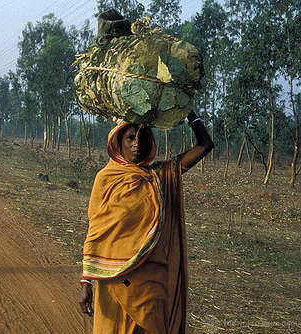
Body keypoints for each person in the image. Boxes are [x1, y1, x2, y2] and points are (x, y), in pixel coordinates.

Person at [79, 111, 213, 333]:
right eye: (130, 137)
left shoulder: (161, 176)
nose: (136, 144)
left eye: (142, 137)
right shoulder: (106, 179)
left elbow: (205, 145)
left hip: (150, 281)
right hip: (114, 279)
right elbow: (96, 231)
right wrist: (85, 283)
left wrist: (188, 111)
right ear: (117, 142)